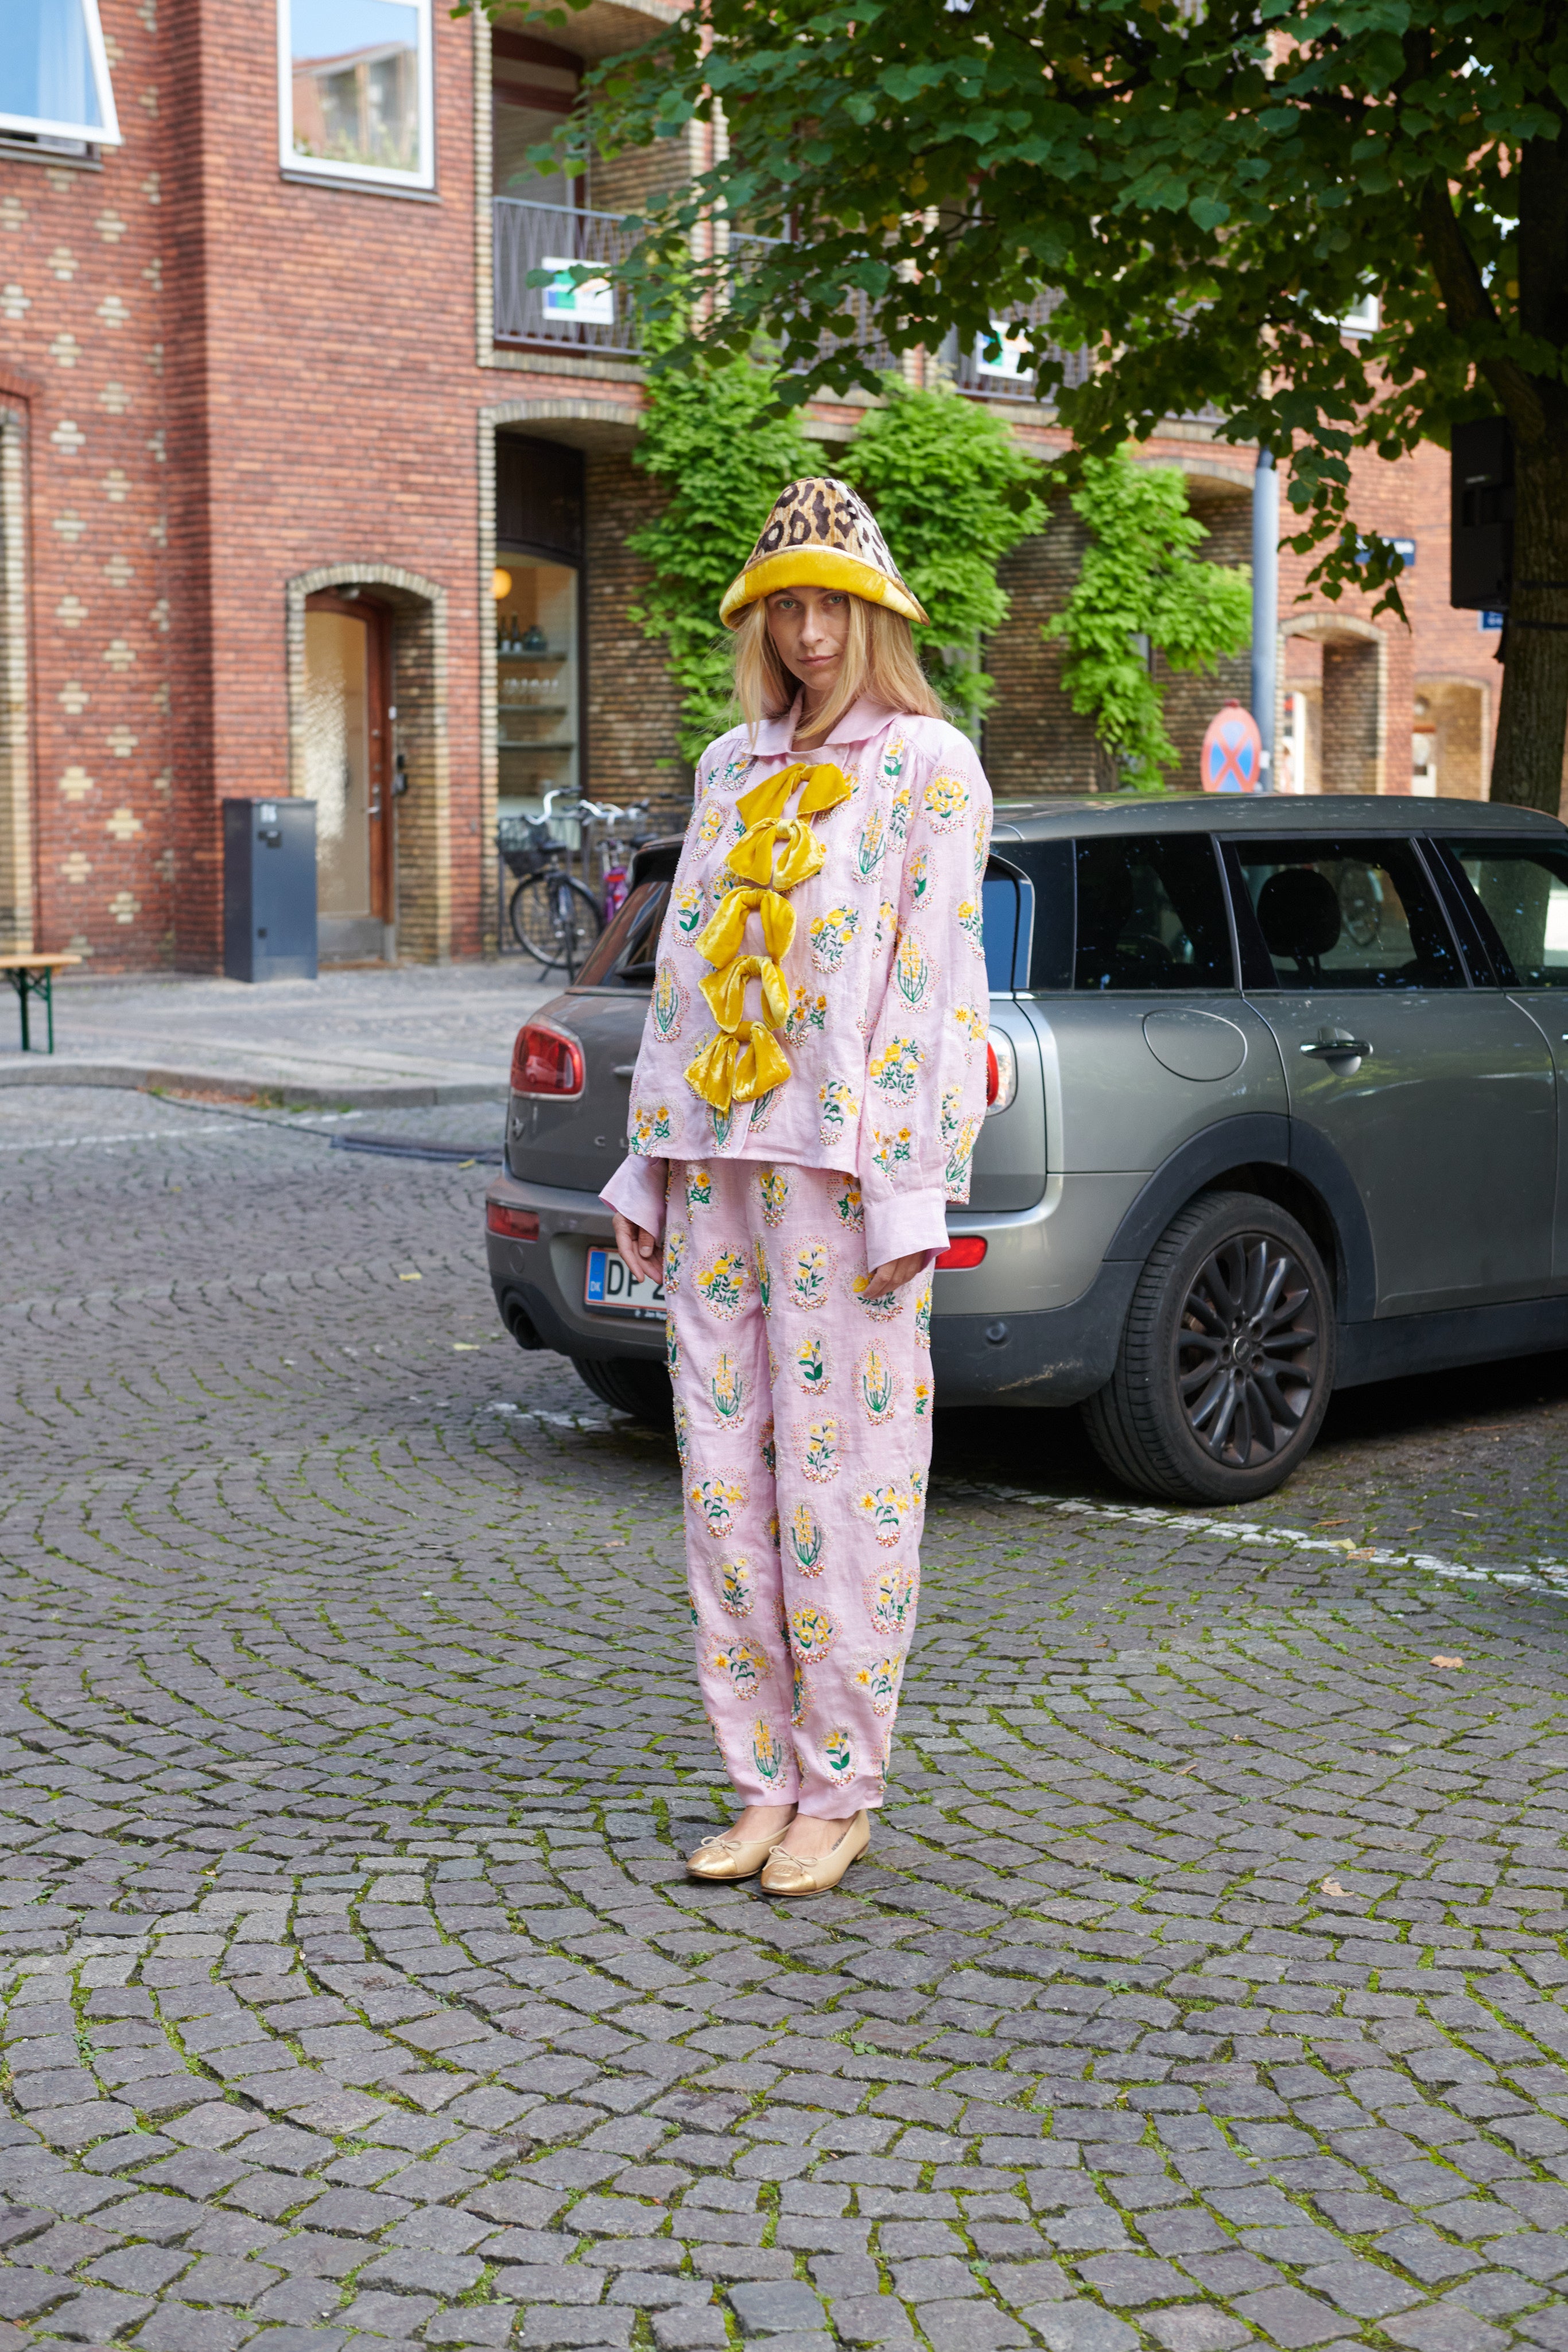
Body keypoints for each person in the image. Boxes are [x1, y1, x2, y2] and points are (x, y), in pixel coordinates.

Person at [601, 476, 992, 1896]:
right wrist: (645, 1158)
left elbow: (936, 991)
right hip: (714, 1166)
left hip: (841, 1173)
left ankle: (843, 1785)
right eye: (786, 607)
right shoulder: (727, 766)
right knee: (720, 1484)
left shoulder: (928, 766)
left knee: (850, 1489)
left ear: (873, 614)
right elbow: (689, 982)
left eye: (832, 605)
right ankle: (760, 1779)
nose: (810, 632)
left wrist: (912, 1190)